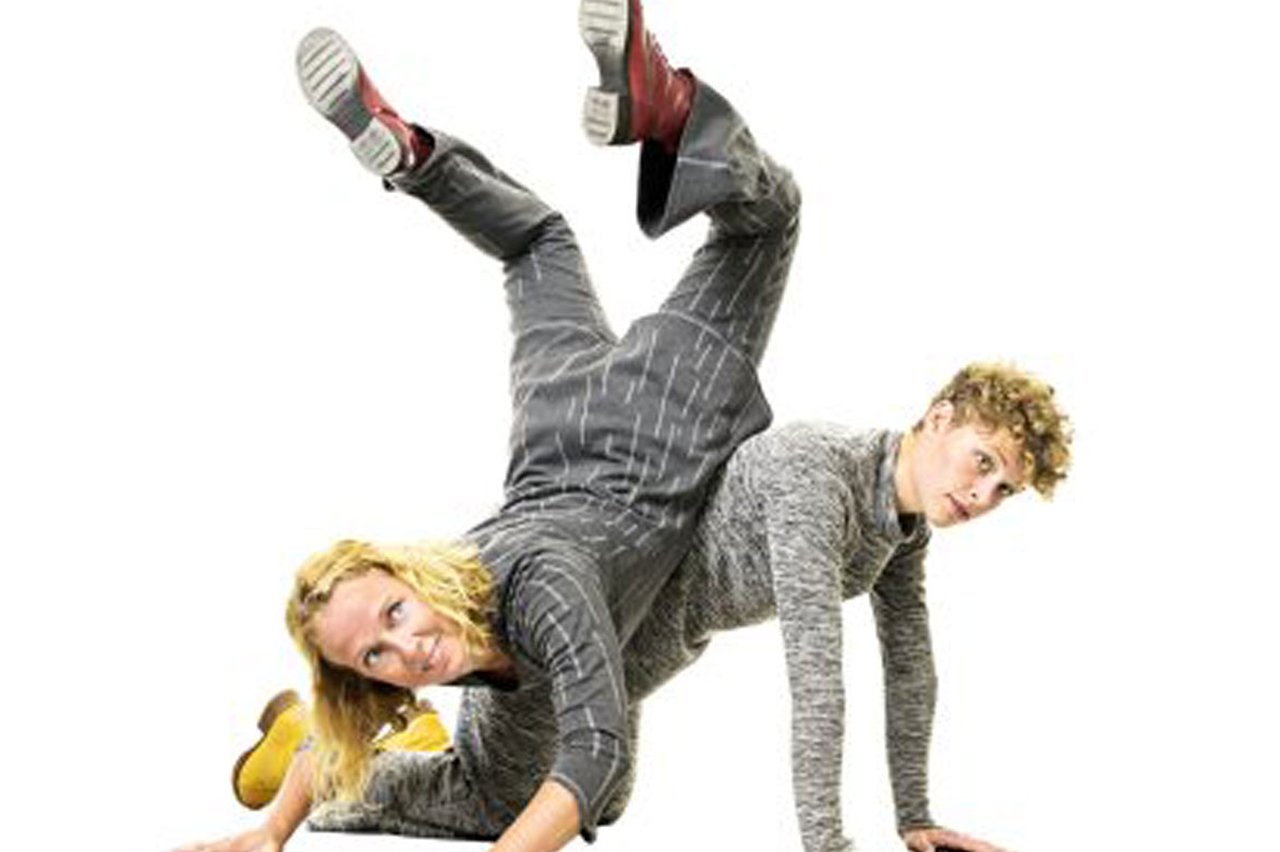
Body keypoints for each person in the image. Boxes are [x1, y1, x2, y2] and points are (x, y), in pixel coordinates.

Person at [181, 1, 800, 851]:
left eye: (395, 613)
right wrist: (271, 833)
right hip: (557, 413)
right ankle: (414, 153)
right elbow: (356, 706)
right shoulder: (441, 616)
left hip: (658, 414)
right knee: (537, 244)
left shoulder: (544, 588)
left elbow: (593, 749)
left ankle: (666, 103)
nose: (407, 650)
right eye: (375, 656)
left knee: (771, 217)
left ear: (411, 576)